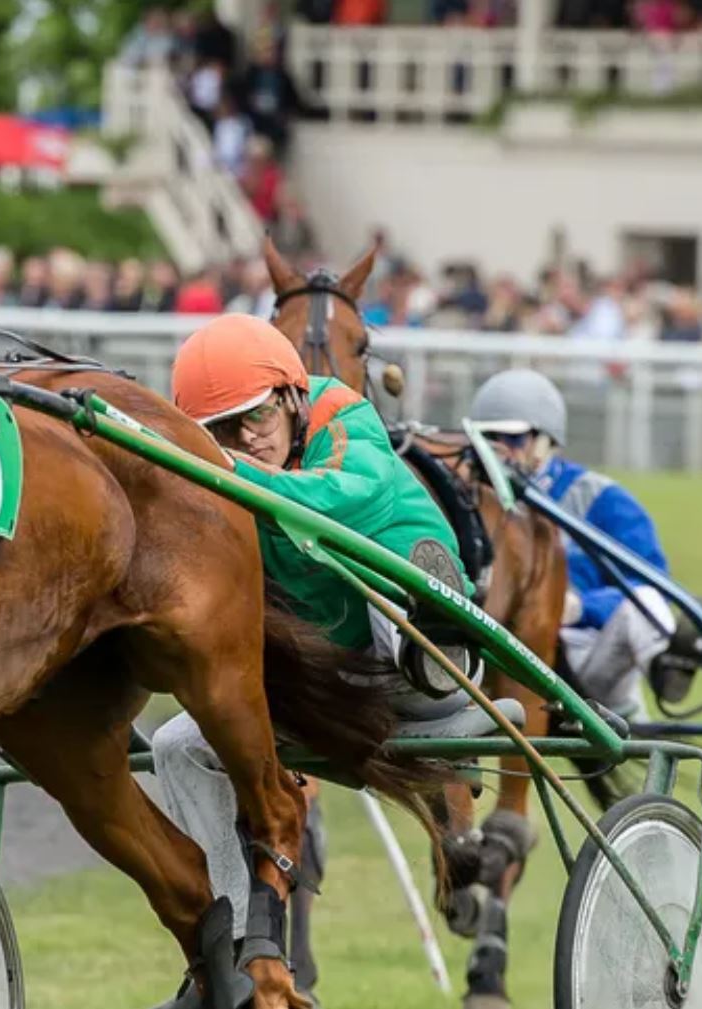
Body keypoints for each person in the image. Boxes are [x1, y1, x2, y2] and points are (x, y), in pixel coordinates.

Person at [153, 315, 475, 1000]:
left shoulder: (342, 416)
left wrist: (227, 469)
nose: (245, 438)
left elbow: (345, 496)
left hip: (411, 657)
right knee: (177, 744)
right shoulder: (221, 468)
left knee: (390, 590)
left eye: (256, 415)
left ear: (292, 397)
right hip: (318, 680)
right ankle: (234, 946)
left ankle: (437, 632)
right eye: (222, 429)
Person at [468, 369, 699, 720]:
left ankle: (662, 674)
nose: (499, 451)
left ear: (545, 441)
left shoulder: (602, 498)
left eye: (512, 438)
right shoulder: (468, 498)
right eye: (489, 439)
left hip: (585, 658)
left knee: (648, 602)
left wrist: (578, 607)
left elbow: (651, 583)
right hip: (500, 658)